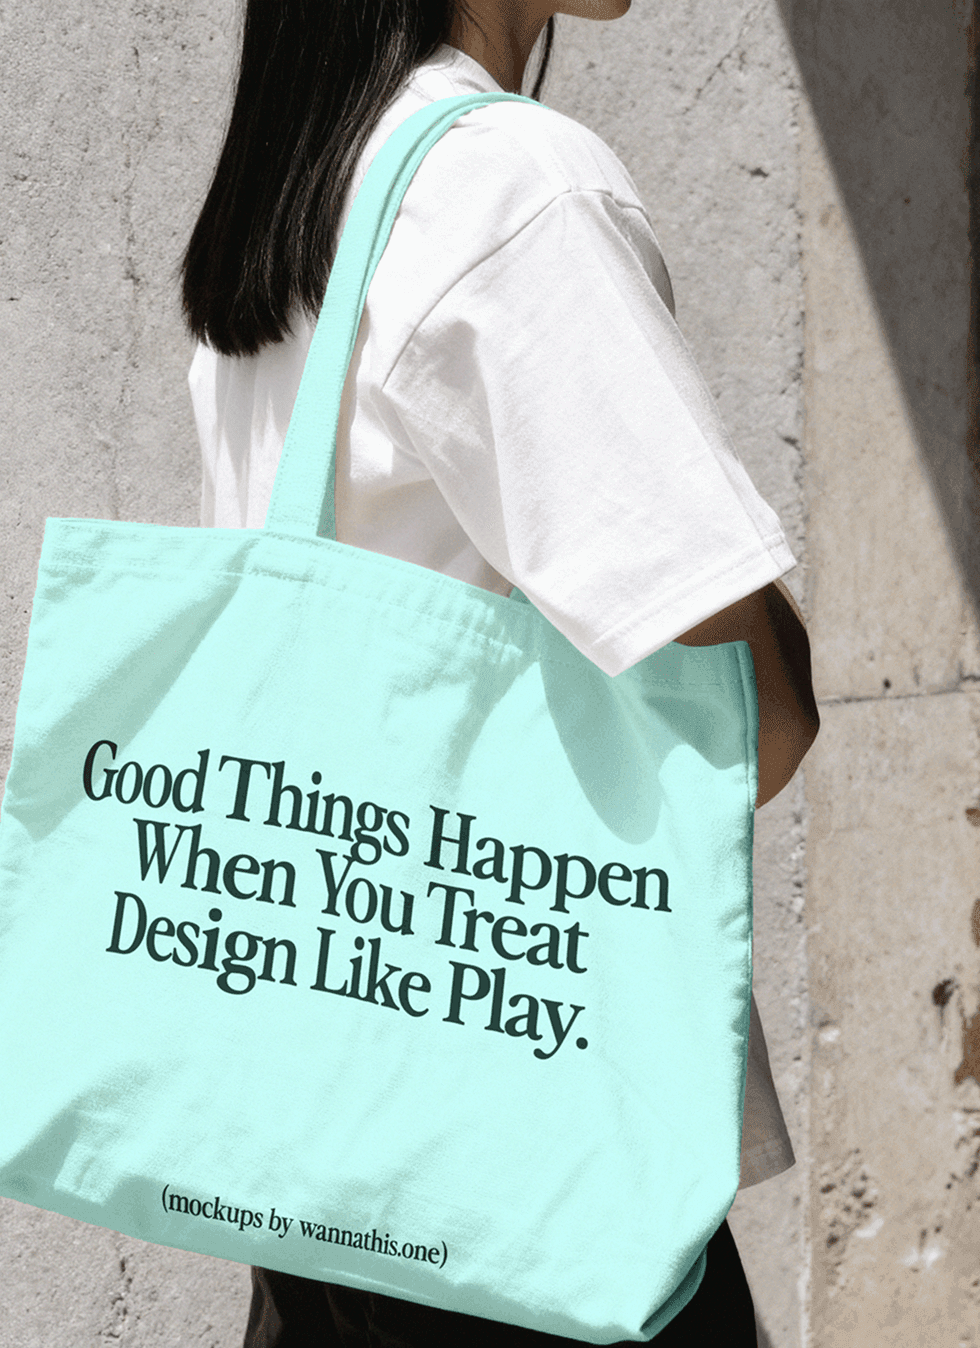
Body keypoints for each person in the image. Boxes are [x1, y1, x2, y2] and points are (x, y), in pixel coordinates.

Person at [181, 1, 821, 1343]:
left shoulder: (307, 200)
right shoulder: (504, 187)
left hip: (314, 1105)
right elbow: (749, 719)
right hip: (514, 1129)